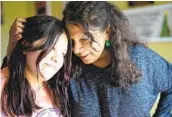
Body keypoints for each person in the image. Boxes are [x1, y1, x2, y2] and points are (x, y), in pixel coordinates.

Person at [3, 1, 172, 117]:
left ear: (107, 31)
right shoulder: (66, 67)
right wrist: (13, 47)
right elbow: (23, 78)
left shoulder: (140, 58)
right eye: (71, 42)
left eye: (85, 39)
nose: (76, 49)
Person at [0, 15, 72, 117]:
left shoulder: (58, 89)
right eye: (52, 47)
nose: (57, 59)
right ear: (26, 45)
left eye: (63, 54)